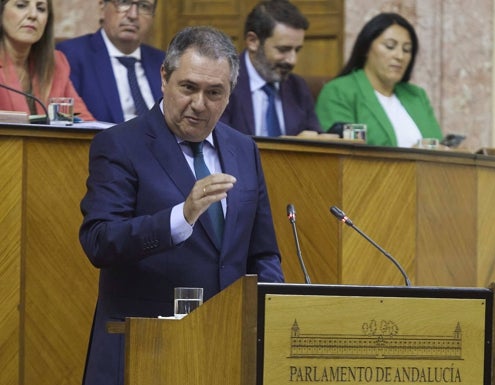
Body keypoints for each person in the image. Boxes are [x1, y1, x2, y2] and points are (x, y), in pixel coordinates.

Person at [78, 26, 284, 385]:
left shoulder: (243, 149)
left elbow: (262, 253)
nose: (199, 104)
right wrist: (181, 216)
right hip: (144, 353)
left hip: (227, 352)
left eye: (214, 92)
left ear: (230, 94)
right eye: (188, 87)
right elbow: (100, 241)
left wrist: (269, 313)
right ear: (164, 77)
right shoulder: (120, 145)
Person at [315, 13, 443, 147]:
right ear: (366, 48)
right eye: (390, 46)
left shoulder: (416, 95)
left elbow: (437, 145)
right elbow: (345, 156)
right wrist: (412, 157)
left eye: (407, 50)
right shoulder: (339, 91)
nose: (400, 56)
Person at [220, 0, 321, 137]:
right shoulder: (223, 82)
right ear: (253, 41)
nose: (292, 60)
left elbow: (316, 139)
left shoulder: (298, 88)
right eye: (283, 49)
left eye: (297, 50)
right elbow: (219, 144)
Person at [57, 0, 165, 123]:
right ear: (102, 8)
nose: (133, 15)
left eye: (144, 6)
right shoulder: (71, 55)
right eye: (124, 2)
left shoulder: (163, 62)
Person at [0, 0, 94, 120]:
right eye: (21, 6)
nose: (33, 15)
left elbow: (84, 120)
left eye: (41, 9)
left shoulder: (56, 64)